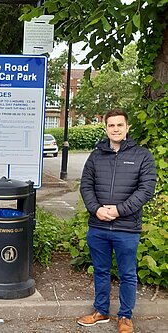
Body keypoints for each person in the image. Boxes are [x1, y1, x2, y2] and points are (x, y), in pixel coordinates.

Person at [77, 108, 156, 333]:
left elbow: (146, 189)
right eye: (111, 125)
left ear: (127, 127)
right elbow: (86, 186)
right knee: (100, 270)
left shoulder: (142, 156)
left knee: (127, 274)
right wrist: (96, 209)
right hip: (99, 225)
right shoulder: (95, 156)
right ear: (106, 128)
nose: (116, 129)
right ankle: (101, 311)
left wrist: (119, 210)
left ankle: (125, 317)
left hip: (126, 228)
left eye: (120, 125)